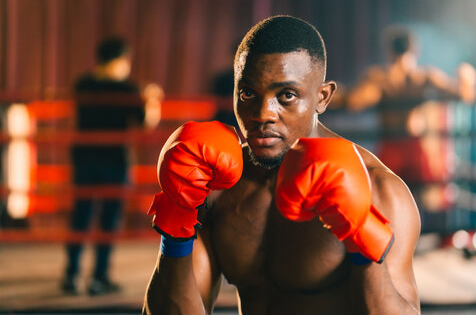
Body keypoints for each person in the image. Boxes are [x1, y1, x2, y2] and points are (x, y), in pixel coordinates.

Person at [143, 16, 421, 314]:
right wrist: (176, 220)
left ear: (322, 97)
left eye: (286, 95)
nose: (263, 113)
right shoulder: (217, 186)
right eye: (248, 93)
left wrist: (365, 240)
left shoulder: (379, 190)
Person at [62, 37, 146, 295]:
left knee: (81, 216)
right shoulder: (129, 89)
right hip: (114, 159)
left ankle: (71, 275)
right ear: (121, 60)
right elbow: (142, 123)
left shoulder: (83, 84)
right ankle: (99, 277)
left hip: (85, 157)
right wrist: (151, 100)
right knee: (109, 220)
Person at [344, 26, 476, 185]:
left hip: (392, 146)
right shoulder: (422, 77)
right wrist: (467, 77)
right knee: (418, 200)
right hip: (414, 148)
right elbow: (464, 95)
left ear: (389, 51)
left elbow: (354, 102)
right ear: (415, 50)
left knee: (385, 195)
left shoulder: (381, 78)